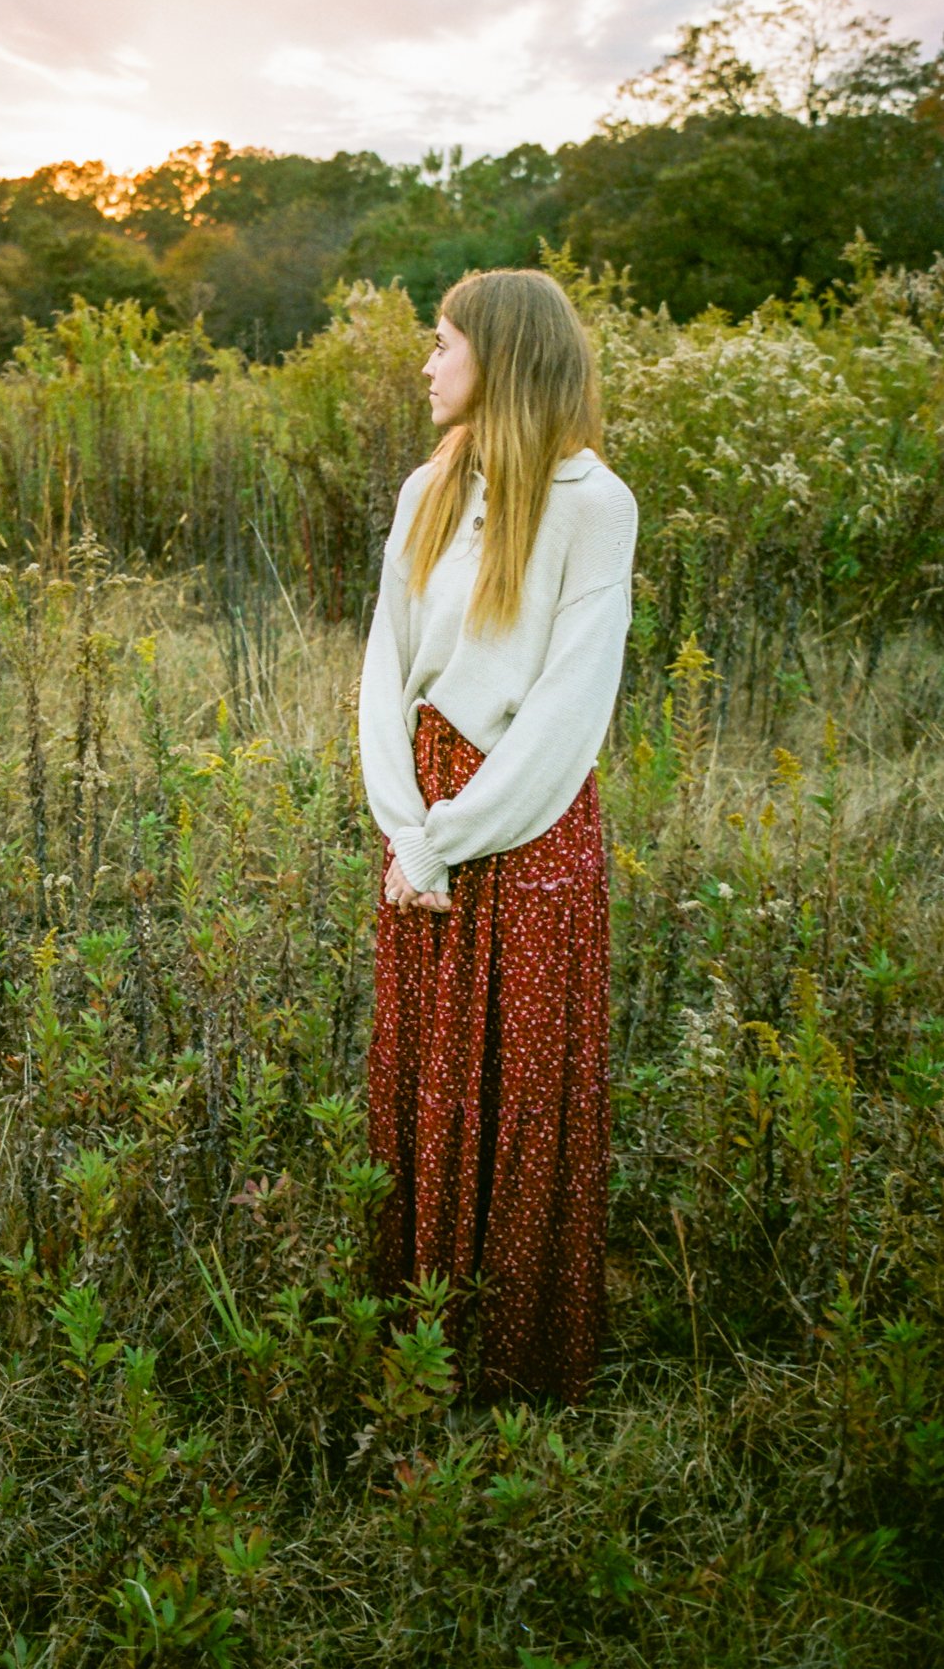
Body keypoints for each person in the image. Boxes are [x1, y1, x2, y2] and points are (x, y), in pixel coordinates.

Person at [357, 268, 637, 1403]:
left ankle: (512, 1368)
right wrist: (405, 831)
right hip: (420, 816)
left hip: (523, 824)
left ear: (501, 356)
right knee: (427, 1073)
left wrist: (455, 834)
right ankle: (419, 1347)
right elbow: (384, 667)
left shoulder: (591, 501)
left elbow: (570, 708)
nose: (424, 365)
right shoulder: (431, 484)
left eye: (440, 343)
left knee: (515, 1091)